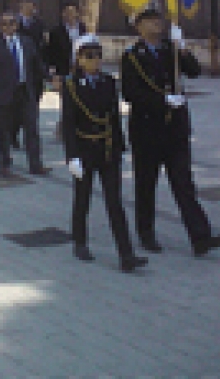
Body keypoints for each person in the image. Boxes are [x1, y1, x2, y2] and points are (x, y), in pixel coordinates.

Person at [121, 0, 220, 256]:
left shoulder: (171, 49)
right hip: (147, 130)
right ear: (138, 26)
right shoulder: (132, 57)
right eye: (150, 19)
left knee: (184, 184)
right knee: (146, 184)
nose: (158, 22)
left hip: (175, 129)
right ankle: (146, 233)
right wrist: (162, 100)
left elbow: (194, 72)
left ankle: (200, 236)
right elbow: (129, 93)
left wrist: (184, 50)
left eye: (158, 18)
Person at [63, 34, 148, 273]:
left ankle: (126, 254)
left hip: (108, 149)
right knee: (83, 199)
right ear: (79, 59)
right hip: (84, 149)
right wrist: (72, 157)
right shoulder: (71, 85)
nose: (95, 60)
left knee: (115, 202)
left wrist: (120, 147)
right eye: (89, 56)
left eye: (98, 55)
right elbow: (69, 123)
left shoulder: (109, 82)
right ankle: (80, 241)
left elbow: (113, 118)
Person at [0, 11, 51, 177]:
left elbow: (37, 64)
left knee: (32, 129)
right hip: (5, 93)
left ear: (17, 25)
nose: (8, 27)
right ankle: (5, 163)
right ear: (0, 27)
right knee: (4, 130)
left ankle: (35, 164)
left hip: (25, 92)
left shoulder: (27, 42)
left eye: (12, 23)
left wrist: (51, 77)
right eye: (4, 24)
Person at [46, 0, 87, 141]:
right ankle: (64, 129)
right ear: (63, 14)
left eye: (73, 11)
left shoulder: (82, 28)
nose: (70, 15)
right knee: (67, 101)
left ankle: (74, 127)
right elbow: (51, 54)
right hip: (63, 70)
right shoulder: (56, 32)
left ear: (77, 13)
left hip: (80, 69)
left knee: (80, 100)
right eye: (67, 12)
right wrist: (53, 74)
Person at [14, 0, 46, 148]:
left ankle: (31, 137)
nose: (32, 7)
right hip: (18, 70)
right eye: (28, 3)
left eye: (33, 4)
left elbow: (42, 46)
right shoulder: (13, 23)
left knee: (33, 106)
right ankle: (14, 132)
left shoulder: (38, 23)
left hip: (35, 71)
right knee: (17, 107)